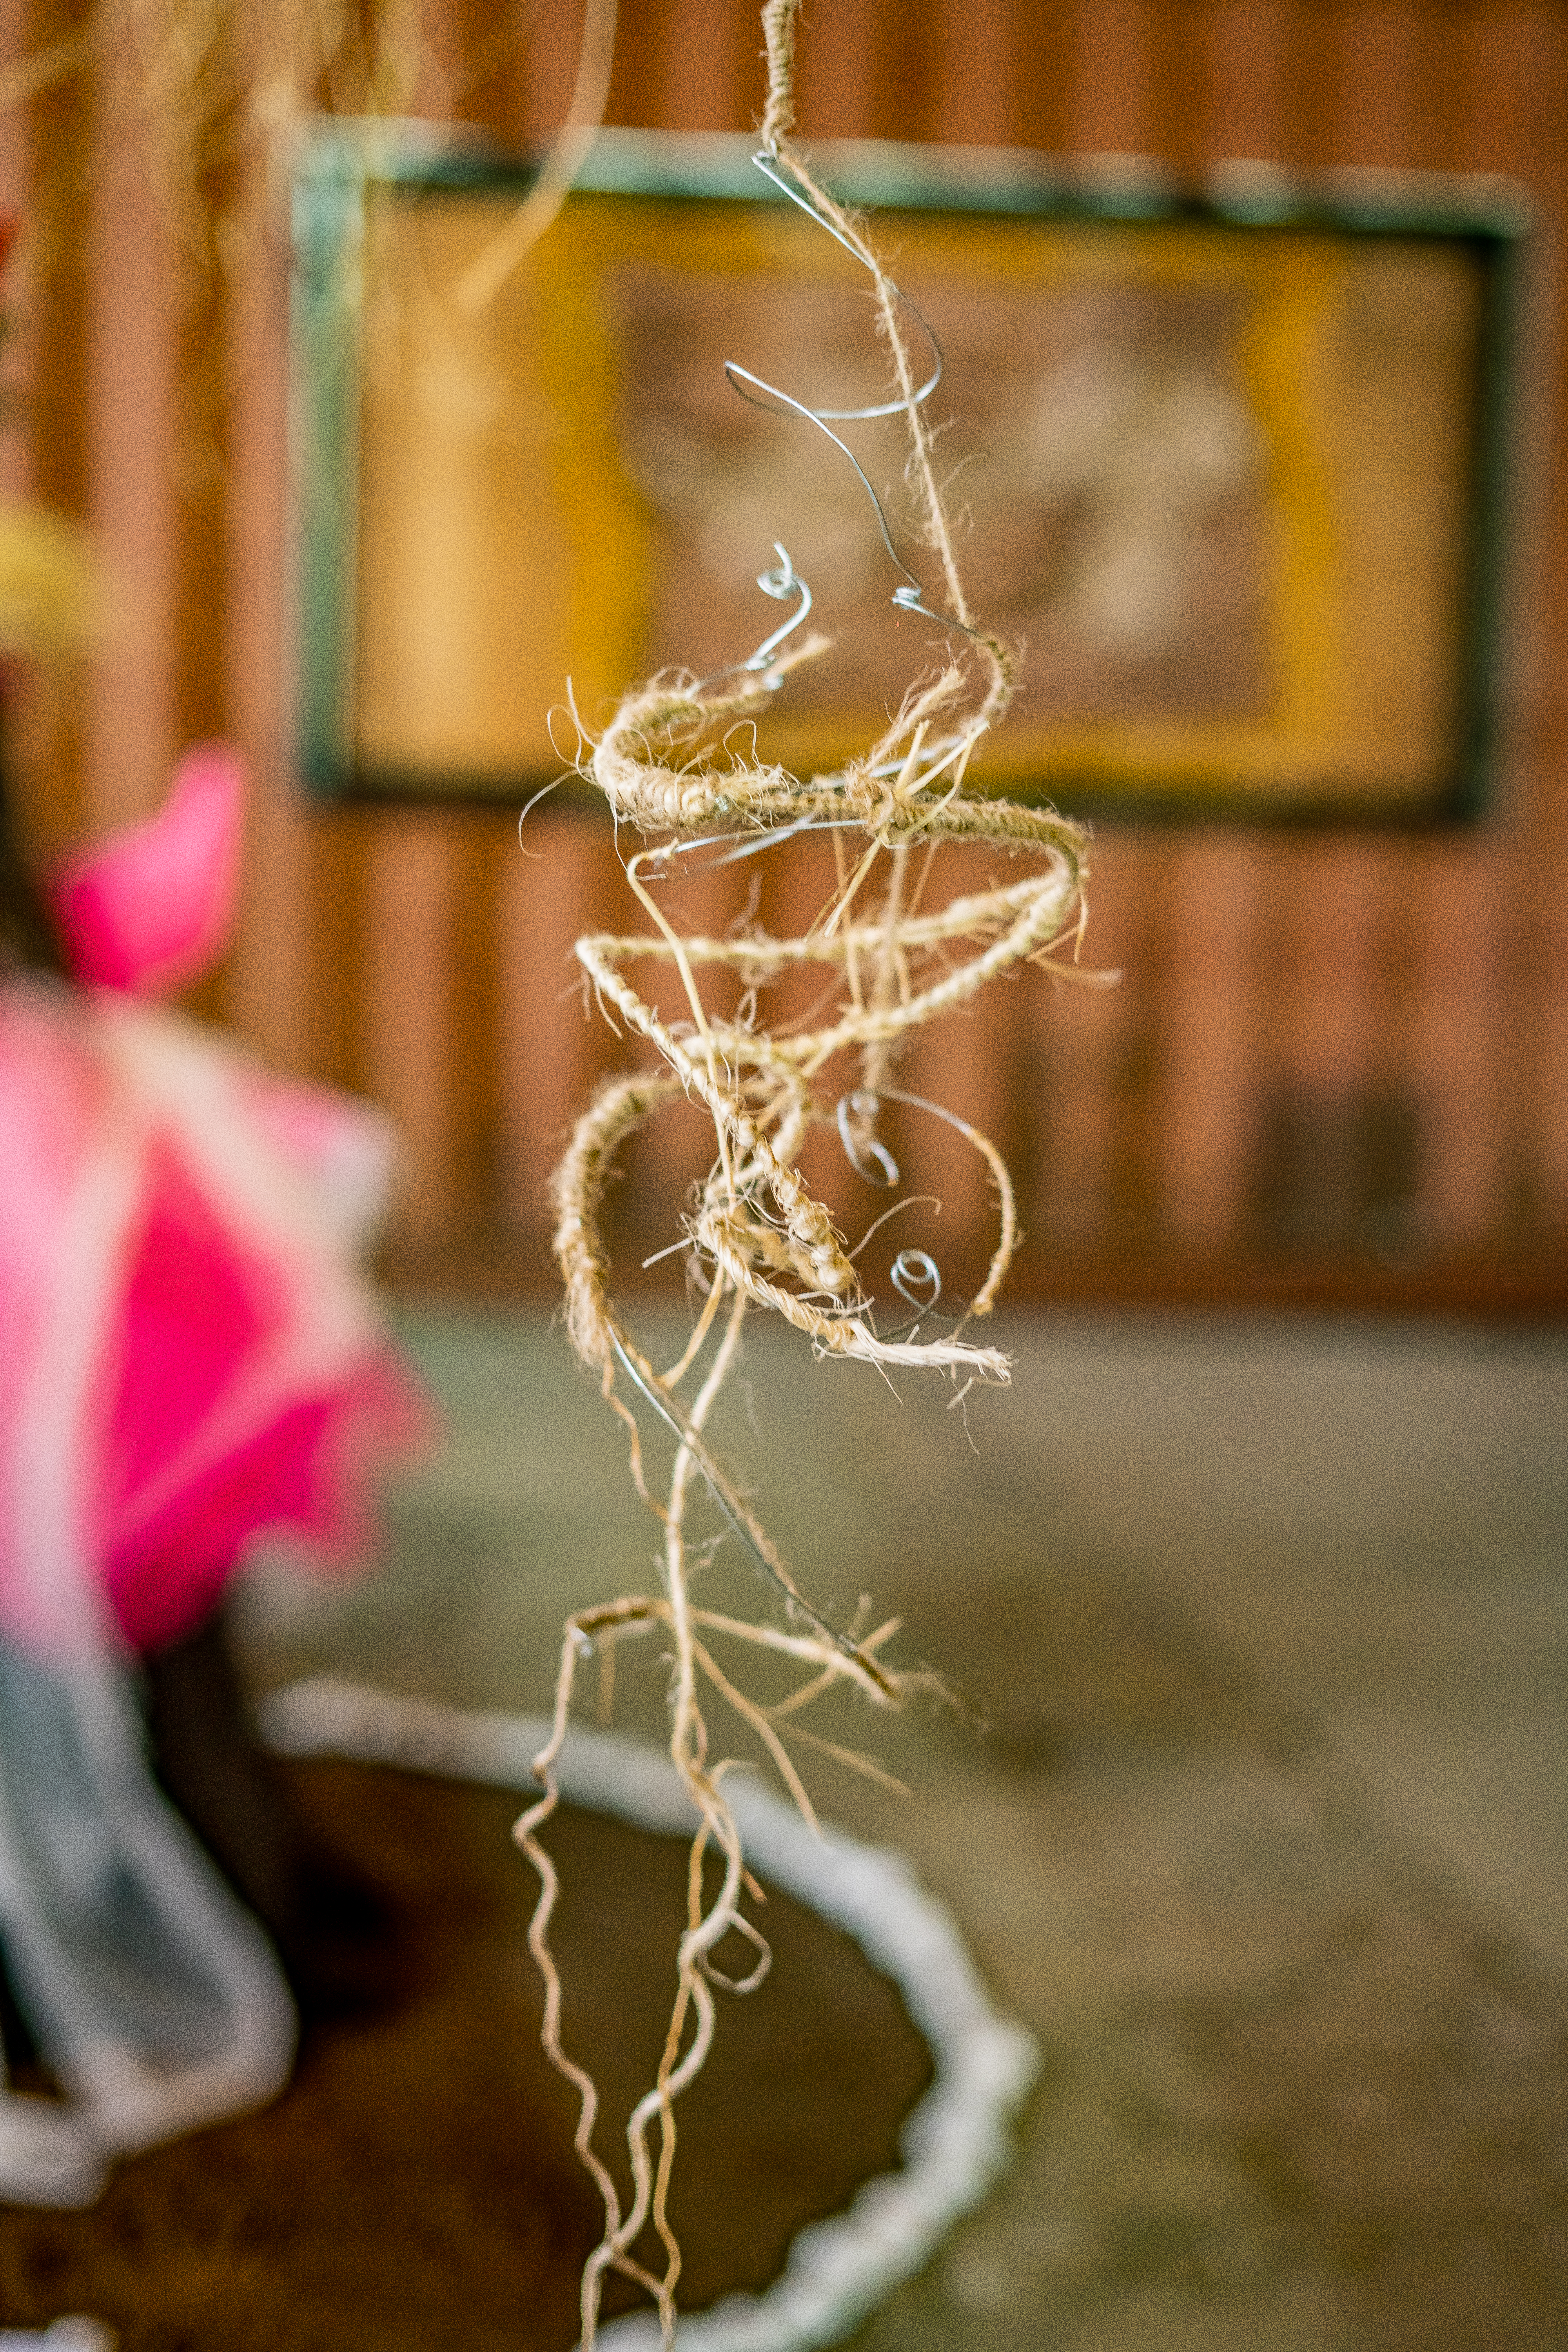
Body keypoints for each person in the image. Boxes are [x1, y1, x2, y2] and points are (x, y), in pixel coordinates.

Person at [0, 653, 423, 2205]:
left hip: (39, 1180)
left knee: (94, 1596)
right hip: (61, 1147)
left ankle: (143, 1915)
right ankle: (217, 1885)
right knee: (136, 1627)